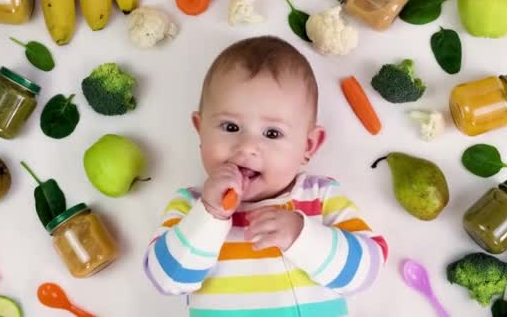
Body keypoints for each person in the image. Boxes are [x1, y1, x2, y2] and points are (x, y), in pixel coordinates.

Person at [144, 36, 388, 316]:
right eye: (230, 126)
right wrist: (210, 215)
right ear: (200, 130)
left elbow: (367, 270)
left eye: (272, 133)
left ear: (308, 146)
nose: (247, 147)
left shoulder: (320, 197)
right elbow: (166, 279)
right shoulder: (191, 205)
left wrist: (302, 236)